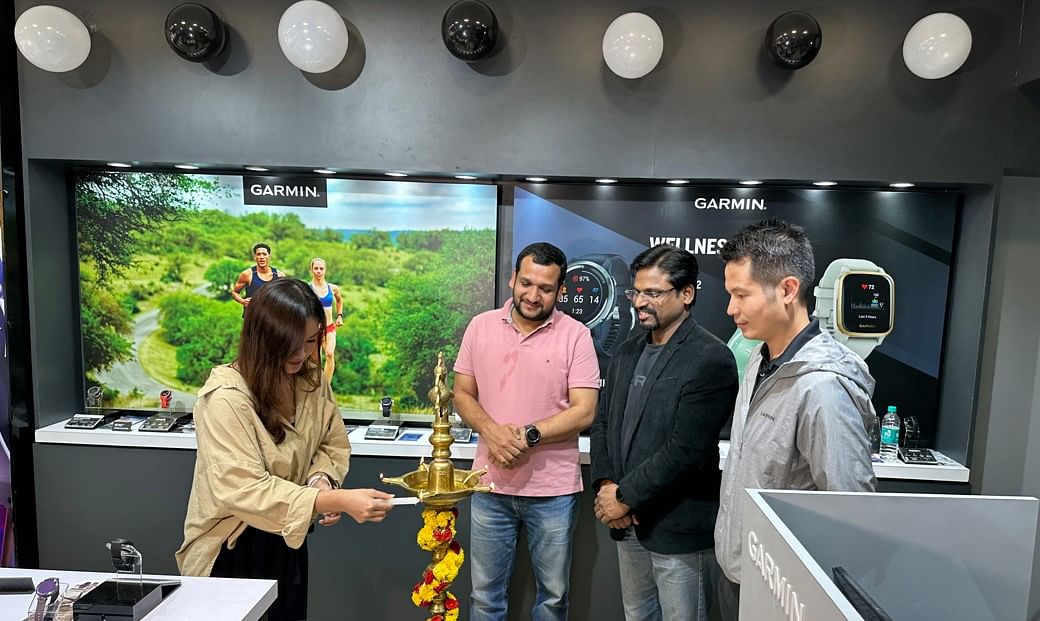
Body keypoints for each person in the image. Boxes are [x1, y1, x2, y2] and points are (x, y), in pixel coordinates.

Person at [176, 278, 393, 621]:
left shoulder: (310, 379)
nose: (302, 353)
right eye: (290, 343)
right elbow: (244, 488)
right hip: (231, 549)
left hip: (287, 541)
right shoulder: (225, 399)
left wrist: (320, 480)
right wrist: (332, 501)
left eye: (310, 341)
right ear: (262, 338)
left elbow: (330, 440)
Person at [711, 220, 878, 621]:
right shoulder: (757, 359)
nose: (730, 308)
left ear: (787, 290)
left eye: (741, 294)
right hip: (738, 572)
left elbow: (852, 510)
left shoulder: (823, 387)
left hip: (783, 590)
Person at [453, 242, 600, 621]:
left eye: (546, 288)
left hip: (554, 491)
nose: (533, 295)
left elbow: (585, 410)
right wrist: (492, 432)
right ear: (512, 279)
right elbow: (462, 394)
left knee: (552, 598)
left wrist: (527, 435)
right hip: (488, 486)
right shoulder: (480, 326)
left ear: (560, 290)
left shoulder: (577, 335)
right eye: (527, 283)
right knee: (485, 598)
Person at [590, 245, 738, 621]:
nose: (640, 302)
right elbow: (604, 424)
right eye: (636, 292)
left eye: (652, 293)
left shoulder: (711, 358)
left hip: (679, 530)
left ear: (686, 294)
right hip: (629, 526)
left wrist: (625, 497)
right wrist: (607, 486)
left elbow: (685, 450)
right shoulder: (625, 352)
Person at [308, 258, 344, 379]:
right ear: (311, 270)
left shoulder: (332, 288)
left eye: (321, 268)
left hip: (329, 327)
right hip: (313, 330)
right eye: (316, 268)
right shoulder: (307, 289)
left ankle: (326, 388)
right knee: (315, 361)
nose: (319, 271)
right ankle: (316, 386)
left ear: (325, 270)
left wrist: (339, 316)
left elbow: (339, 300)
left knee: (329, 353)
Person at [231, 243, 282, 309]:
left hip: (271, 316)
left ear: (269, 256)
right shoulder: (247, 274)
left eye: (264, 254)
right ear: (255, 257)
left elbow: (284, 296)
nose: (261, 257)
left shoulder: (279, 276)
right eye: (258, 254)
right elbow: (234, 292)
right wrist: (243, 301)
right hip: (252, 316)